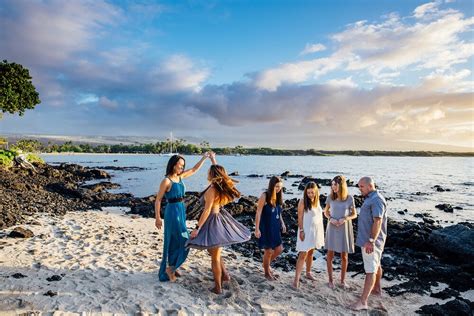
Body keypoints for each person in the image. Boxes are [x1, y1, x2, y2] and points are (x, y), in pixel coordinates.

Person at [186, 164, 251, 294]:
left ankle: (218, 288)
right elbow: (223, 175)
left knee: (214, 256)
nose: (207, 174)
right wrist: (213, 160)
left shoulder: (212, 190)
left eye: (209, 172)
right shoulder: (220, 187)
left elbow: (207, 210)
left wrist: (197, 228)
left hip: (213, 221)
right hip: (218, 218)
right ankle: (225, 275)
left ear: (212, 175)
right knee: (214, 252)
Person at [155, 152, 214, 282]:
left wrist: (204, 158)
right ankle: (170, 269)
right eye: (180, 165)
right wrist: (158, 217)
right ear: (173, 165)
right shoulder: (166, 181)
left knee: (180, 240)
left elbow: (194, 169)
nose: (182, 168)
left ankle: (173, 267)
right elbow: (158, 200)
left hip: (181, 210)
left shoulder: (180, 177)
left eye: (183, 166)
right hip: (172, 212)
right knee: (180, 240)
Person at [351, 177, 388, 311]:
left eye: (361, 186)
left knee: (370, 270)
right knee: (376, 264)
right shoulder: (370, 197)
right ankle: (377, 289)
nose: (359, 189)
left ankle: (363, 302)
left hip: (371, 242)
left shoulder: (376, 199)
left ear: (369, 186)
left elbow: (377, 221)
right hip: (369, 241)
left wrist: (371, 241)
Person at [324, 175, 357, 289]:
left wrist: (345, 219)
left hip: (344, 227)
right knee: (330, 255)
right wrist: (330, 218)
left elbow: (354, 214)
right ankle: (330, 280)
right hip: (332, 227)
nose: (333, 187)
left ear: (341, 185)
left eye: (335, 184)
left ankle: (342, 281)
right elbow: (326, 212)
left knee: (344, 256)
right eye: (332, 184)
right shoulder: (330, 197)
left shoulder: (349, 198)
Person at [292, 181, 325, 289]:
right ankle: (296, 279)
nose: (310, 194)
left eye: (312, 192)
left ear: (316, 192)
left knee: (311, 252)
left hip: (315, 231)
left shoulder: (317, 201)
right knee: (302, 254)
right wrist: (301, 230)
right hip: (305, 231)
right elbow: (300, 217)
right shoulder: (302, 201)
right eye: (308, 192)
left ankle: (308, 272)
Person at [254, 176, 287, 280]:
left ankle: (266, 265)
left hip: (275, 226)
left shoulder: (278, 196)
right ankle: (267, 273)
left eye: (280, 187)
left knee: (279, 249)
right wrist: (257, 228)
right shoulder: (265, 195)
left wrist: (282, 223)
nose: (278, 189)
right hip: (266, 227)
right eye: (276, 186)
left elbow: (278, 211)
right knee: (268, 251)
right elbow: (258, 213)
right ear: (272, 185)